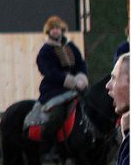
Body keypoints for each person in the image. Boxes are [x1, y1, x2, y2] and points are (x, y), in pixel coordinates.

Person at [27, 15, 88, 152]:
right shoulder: (45, 51)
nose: (56, 31)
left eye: (58, 28)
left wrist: (81, 78)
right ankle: (51, 148)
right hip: (53, 90)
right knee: (57, 115)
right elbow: (49, 72)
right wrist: (69, 81)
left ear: (62, 30)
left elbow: (81, 64)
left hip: (77, 88)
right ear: (49, 32)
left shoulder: (72, 47)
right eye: (53, 29)